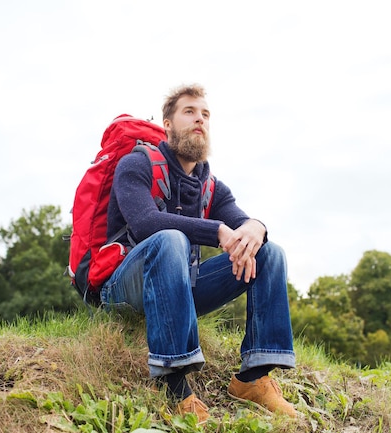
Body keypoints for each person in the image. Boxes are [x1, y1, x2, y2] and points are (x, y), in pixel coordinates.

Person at [101, 84, 297, 422]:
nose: (199, 120)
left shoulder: (212, 187)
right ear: (167, 124)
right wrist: (215, 231)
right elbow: (146, 223)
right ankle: (174, 383)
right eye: (189, 112)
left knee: (269, 253)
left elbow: (241, 225)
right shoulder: (136, 164)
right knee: (170, 240)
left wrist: (256, 227)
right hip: (125, 286)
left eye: (205, 114)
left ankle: (253, 378)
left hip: (180, 288)